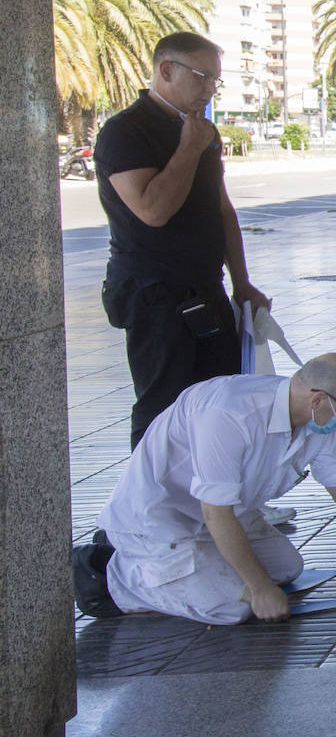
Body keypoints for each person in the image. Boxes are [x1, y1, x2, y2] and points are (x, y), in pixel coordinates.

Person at [72, 354, 336, 625]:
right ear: (318, 399)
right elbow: (216, 511)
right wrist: (258, 589)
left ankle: (190, 563)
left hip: (218, 519)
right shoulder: (228, 415)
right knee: (235, 605)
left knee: (287, 568)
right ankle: (112, 574)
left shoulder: (315, 425)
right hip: (157, 520)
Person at [94, 32, 270, 449]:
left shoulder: (202, 132)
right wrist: (188, 148)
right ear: (166, 70)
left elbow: (221, 209)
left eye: (215, 81)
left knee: (221, 398)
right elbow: (152, 211)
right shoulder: (126, 131)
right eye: (202, 77)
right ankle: (147, 509)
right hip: (154, 293)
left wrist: (241, 282)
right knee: (163, 406)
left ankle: (217, 505)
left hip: (205, 288)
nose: (210, 89)